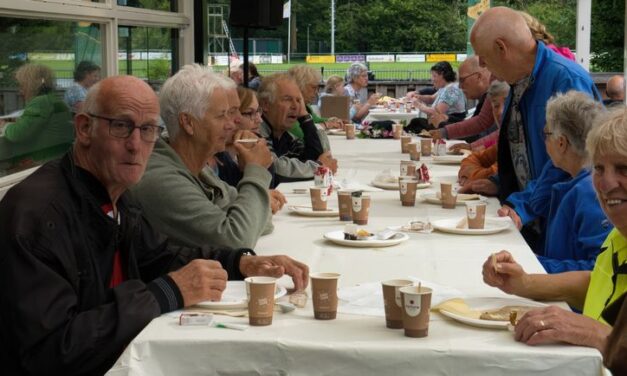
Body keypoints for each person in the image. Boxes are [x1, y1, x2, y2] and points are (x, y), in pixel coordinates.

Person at [0, 74, 309, 375]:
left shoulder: (115, 191)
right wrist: (165, 293)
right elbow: (49, 351)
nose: (136, 145)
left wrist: (239, 263)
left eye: (148, 129)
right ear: (84, 128)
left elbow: (159, 256)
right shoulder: (37, 216)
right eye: (121, 127)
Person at [481, 106, 627, 353]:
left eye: (623, 168)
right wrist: (525, 282)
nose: (605, 183)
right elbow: (599, 283)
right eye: (599, 168)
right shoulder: (617, 235)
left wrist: (601, 335)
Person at [470, 6, 600, 250]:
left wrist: (523, 205)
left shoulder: (566, 79)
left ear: (501, 48)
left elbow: (573, 160)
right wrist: (500, 182)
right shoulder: (519, 80)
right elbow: (524, 151)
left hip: (558, 229)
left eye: (482, 56)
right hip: (533, 219)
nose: (481, 63)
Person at [132, 64, 275, 250]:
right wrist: (255, 171)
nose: (233, 123)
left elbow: (262, 220)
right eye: (222, 115)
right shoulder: (160, 178)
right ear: (188, 123)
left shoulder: (193, 166)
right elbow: (238, 241)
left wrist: (244, 219)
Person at [507, 91, 611, 272]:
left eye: (546, 134)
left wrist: (534, 263)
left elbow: (598, 270)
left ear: (561, 143)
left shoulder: (588, 191)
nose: (544, 141)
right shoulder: (571, 179)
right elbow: (538, 203)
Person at [258, 73, 337, 182]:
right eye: (287, 99)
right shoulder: (257, 132)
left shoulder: (286, 136)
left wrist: (305, 118)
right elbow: (275, 168)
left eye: (298, 101)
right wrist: (318, 167)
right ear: (266, 105)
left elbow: (319, 156)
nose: (296, 107)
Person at [215, 86, 284, 210]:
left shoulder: (251, 143)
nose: (259, 120)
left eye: (258, 112)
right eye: (250, 113)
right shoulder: (216, 157)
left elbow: (267, 189)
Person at [0, 63, 73, 170]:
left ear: (31, 85)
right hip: (59, 160)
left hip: (44, 164)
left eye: (22, 85)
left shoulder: (41, 102)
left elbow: (17, 134)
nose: (20, 91)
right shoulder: (54, 99)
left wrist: (4, 126)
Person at [429, 56, 494, 143]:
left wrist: (442, 124)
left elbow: (477, 135)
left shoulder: (496, 96)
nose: (460, 86)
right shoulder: (486, 96)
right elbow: (478, 123)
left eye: (462, 80)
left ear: (478, 77)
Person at [287, 65, 342, 150]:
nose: (316, 92)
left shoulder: (306, 106)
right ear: (300, 86)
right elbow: (301, 134)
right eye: (313, 88)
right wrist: (326, 124)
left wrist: (331, 120)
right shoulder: (287, 108)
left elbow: (316, 120)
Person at [406, 61, 466, 132]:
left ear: (442, 75)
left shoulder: (451, 89)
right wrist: (418, 97)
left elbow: (436, 112)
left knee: (415, 123)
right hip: (444, 121)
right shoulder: (445, 87)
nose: (432, 79)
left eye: (434, 76)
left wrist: (418, 105)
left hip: (451, 124)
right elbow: (431, 98)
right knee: (415, 123)